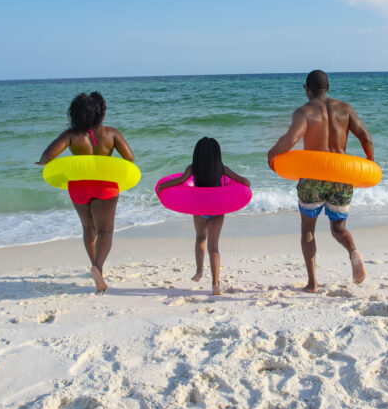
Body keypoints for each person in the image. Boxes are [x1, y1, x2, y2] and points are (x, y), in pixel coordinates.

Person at [267, 69, 374, 292]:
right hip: (341, 176)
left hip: (313, 177)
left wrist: (272, 154)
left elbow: (291, 139)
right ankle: (353, 250)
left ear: (306, 88)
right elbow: (365, 137)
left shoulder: (303, 111)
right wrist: (368, 165)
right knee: (338, 228)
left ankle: (313, 283)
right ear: (328, 88)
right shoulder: (345, 109)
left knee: (308, 230)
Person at [38, 92, 135, 293]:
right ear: (101, 113)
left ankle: (95, 266)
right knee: (105, 230)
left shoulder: (71, 135)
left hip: (79, 187)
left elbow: (47, 156)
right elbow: (130, 158)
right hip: (105, 185)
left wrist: (45, 163)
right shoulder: (111, 133)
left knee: (88, 228)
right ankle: (97, 268)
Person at [156, 137, 251, 296]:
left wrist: (161, 187)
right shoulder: (222, 168)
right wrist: (244, 181)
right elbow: (245, 182)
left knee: (200, 238)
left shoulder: (192, 168)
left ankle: (199, 271)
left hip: (200, 208)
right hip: (217, 208)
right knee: (214, 246)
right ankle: (215, 284)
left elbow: (180, 181)